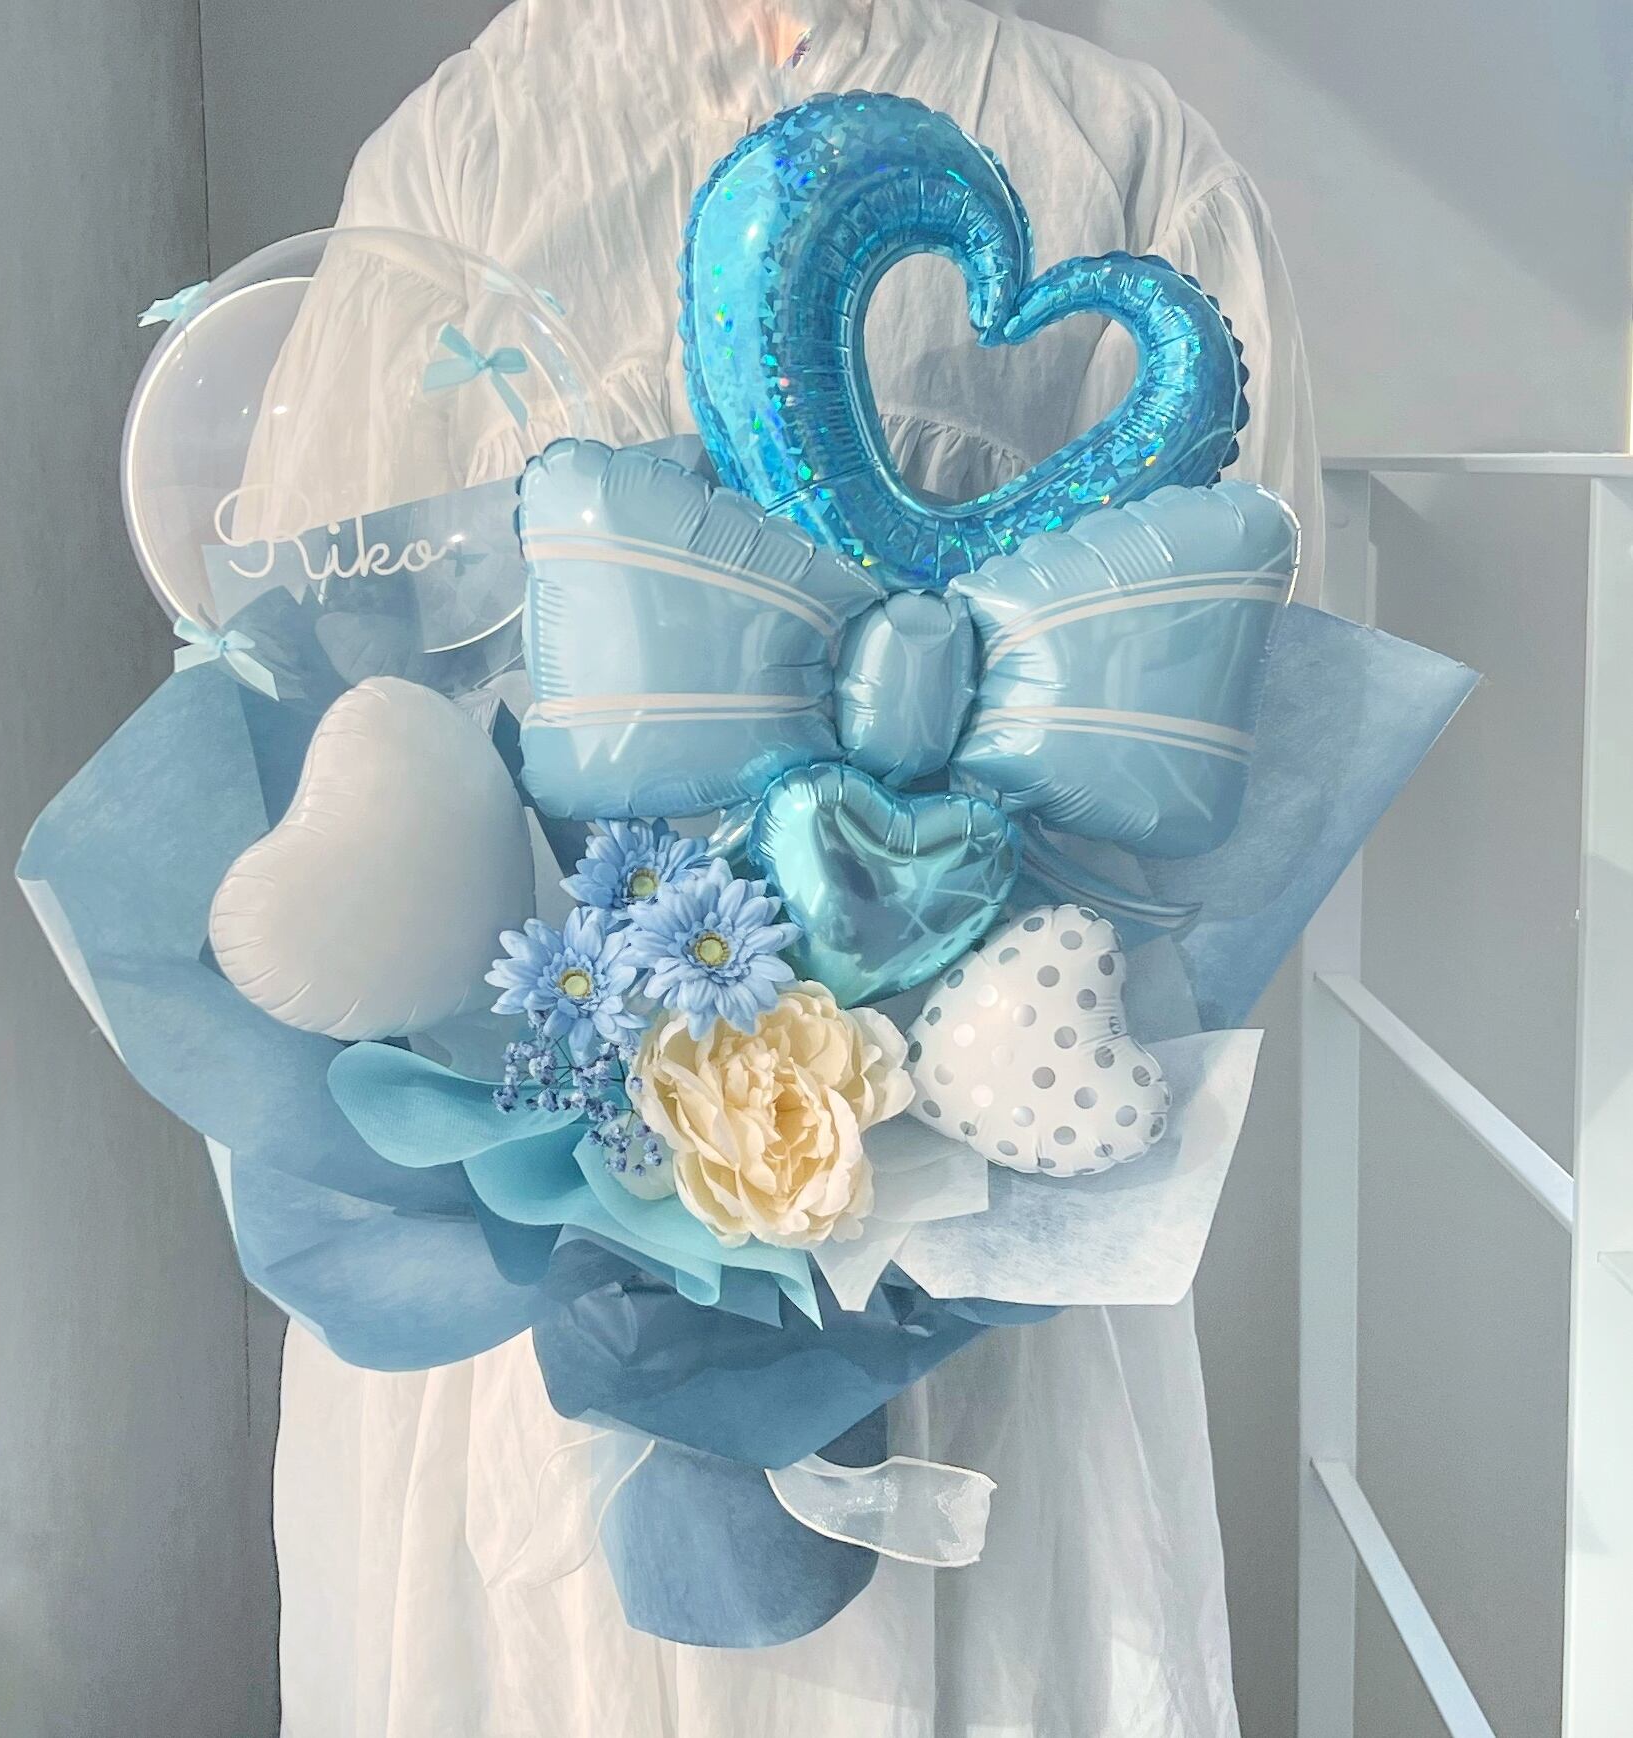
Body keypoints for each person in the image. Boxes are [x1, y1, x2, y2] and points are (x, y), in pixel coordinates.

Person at [265, 3, 1322, 1732]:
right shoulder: (461, 159)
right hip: (552, 1204)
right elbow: (331, 682)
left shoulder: (1123, 159)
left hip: (968, 1196)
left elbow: (1238, 713)